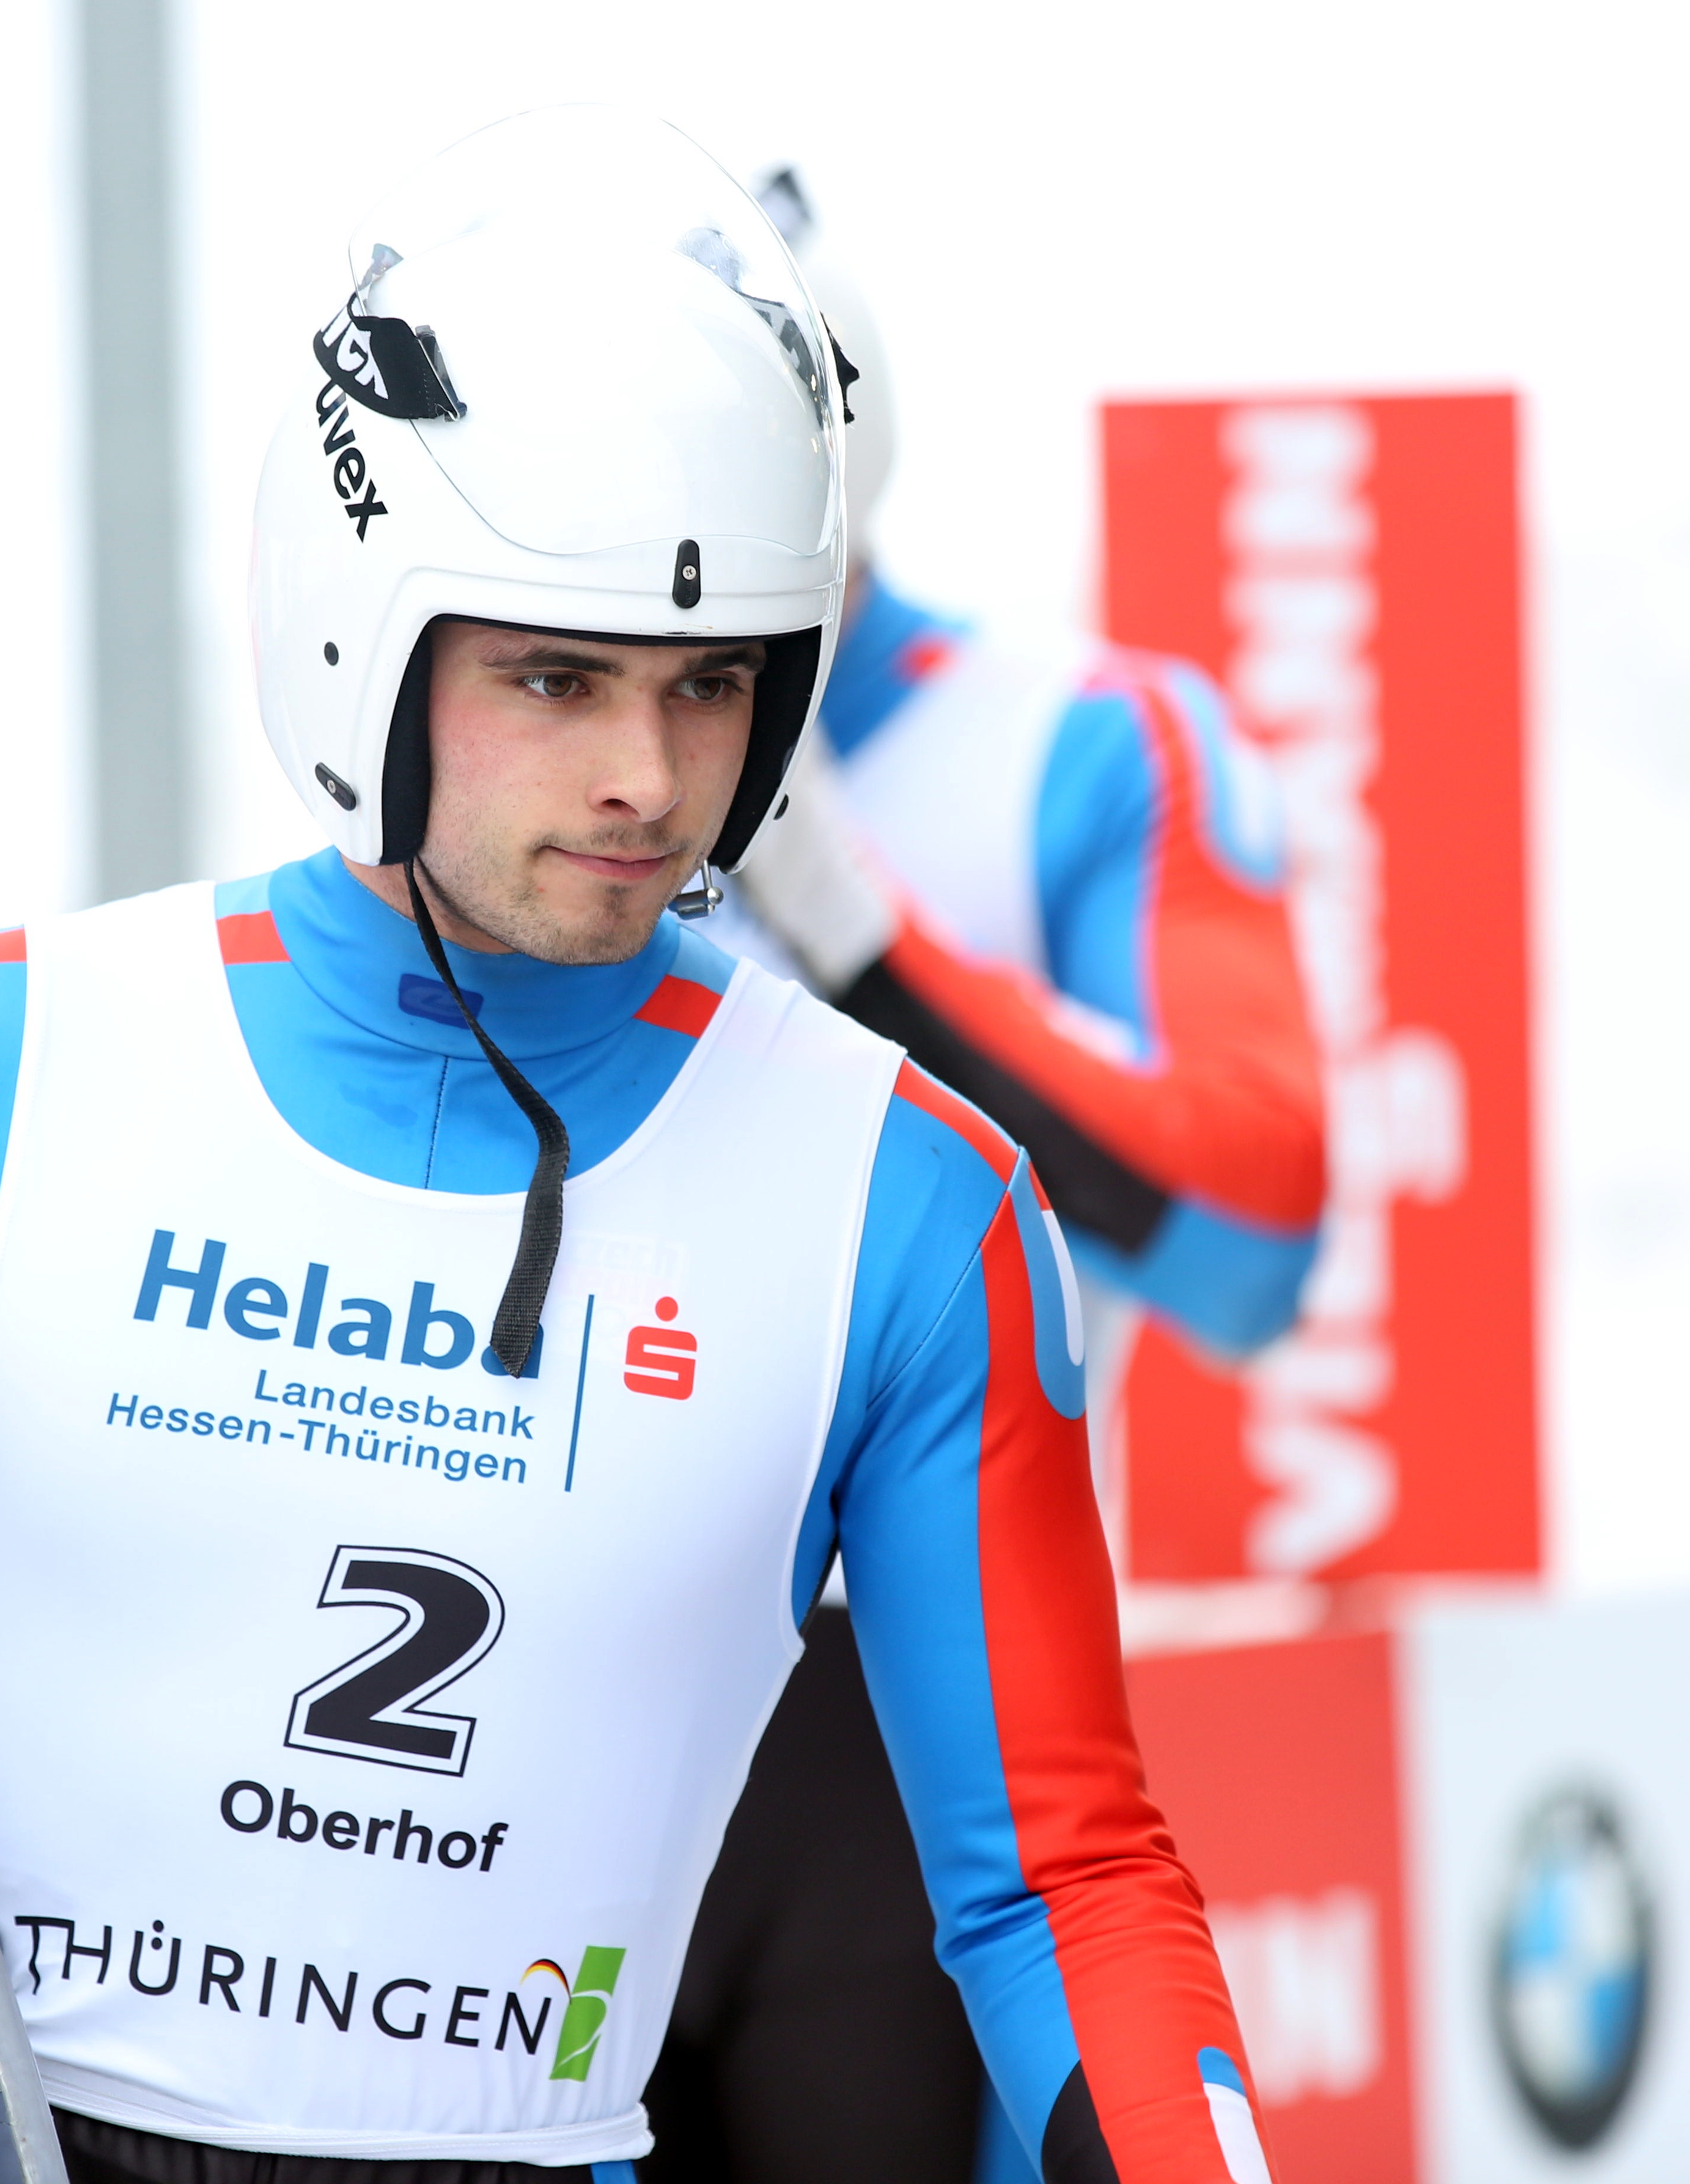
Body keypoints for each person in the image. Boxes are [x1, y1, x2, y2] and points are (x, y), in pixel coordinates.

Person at [0, 110, 1274, 2184]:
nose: (645, 777)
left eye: (713, 686)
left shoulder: (907, 1204)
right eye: (557, 677)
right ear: (367, 638)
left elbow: (1063, 1883)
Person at [640, 173, 1326, 2184]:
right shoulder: (517, 731)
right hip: (575, 1669)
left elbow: (1261, 1241)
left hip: (909, 1695)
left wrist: (862, 935)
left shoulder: (1094, 741)